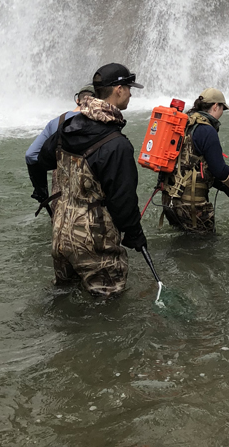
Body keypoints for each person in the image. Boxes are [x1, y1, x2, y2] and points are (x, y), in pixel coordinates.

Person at [37, 62, 147, 297]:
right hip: (94, 242)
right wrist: (135, 234)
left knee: (65, 299)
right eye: (129, 88)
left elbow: (42, 159)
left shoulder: (67, 127)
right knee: (108, 306)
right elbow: (122, 201)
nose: (130, 94)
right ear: (118, 90)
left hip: (60, 234)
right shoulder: (117, 144)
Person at [159, 88, 229, 234]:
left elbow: (194, 167)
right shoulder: (207, 130)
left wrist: (225, 188)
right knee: (206, 244)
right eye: (222, 109)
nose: (222, 113)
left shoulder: (185, 123)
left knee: (184, 241)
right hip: (192, 206)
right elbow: (219, 170)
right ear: (215, 106)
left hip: (169, 200)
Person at [25, 83, 96, 216]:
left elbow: (31, 155)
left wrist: (41, 189)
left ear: (77, 100)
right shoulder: (100, 123)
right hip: (91, 198)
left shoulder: (55, 122)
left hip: (60, 195)